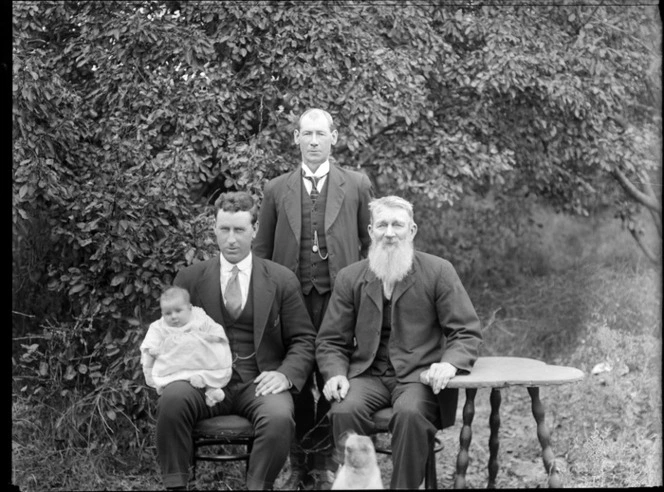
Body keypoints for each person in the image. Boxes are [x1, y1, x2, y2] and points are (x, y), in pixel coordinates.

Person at [315, 195, 484, 489]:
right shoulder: (350, 277)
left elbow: (466, 331)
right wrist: (336, 373)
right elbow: (331, 340)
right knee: (343, 409)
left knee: (409, 414)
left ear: (412, 230)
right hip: (368, 375)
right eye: (382, 225)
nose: (390, 232)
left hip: (418, 377)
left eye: (397, 225)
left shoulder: (438, 271)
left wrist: (449, 364)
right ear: (370, 231)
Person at [154, 191, 317, 490]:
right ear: (214, 229)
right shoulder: (190, 278)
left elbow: (304, 339)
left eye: (239, 230)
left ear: (254, 230)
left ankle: (258, 486)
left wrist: (285, 374)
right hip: (202, 382)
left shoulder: (280, 280)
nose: (231, 239)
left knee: (279, 416)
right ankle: (177, 485)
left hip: (259, 381)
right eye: (224, 229)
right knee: (172, 400)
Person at [253, 108, 373, 488]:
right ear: (296, 139)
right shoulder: (276, 189)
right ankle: (300, 464)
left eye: (321, 134)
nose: (314, 141)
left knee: (335, 376)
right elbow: (262, 251)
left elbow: (371, 247)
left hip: (341, 301)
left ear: (334, 137)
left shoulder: (355, 184)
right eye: (307, 134)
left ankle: (323, 463)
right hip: (292, 301)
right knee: (297, 380)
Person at [140, 286, 233, 407]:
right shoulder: (160, 326)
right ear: (162, 313)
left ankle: (211, 390)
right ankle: (178, 383)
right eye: (168, 313)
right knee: (173, 379)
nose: (173, 316)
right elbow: (152, 339)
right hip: (176, 364)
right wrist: (152, 349)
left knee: (211, 361)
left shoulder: (199, 318)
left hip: (201, 361)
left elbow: (215, 328)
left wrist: (214, 336)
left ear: (189, 308)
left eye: (178, 311)